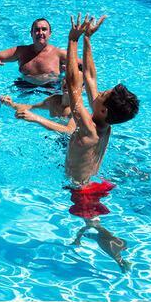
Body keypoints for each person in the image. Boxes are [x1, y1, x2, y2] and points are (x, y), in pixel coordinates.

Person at [63, 14, 139, 187]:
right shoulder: (105, 124)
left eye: (103, 94)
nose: (98, 92)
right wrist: (87, 38)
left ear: (104, 110)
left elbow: (73, 85)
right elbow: (89, 77)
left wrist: (73, 40)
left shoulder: (89, 129)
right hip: (94, 185)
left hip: (81, 194)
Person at [0, 67, 82, 135]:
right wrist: (11, 104)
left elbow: (69, 131)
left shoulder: (78, 109)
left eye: (74, 80)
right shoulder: (54, 100)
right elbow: (31, 107)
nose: (68, 83)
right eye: (66, 78)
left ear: (83, 88)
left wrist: (36, 118)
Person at [0, 18, 67, 86]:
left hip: (51, 89)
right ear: (31, 34)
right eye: (37, 30)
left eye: (44, 29)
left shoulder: (59, 54)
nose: (41, 33)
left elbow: (79, 65)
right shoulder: (21, 51)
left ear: (50, 34)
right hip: (24, 87)